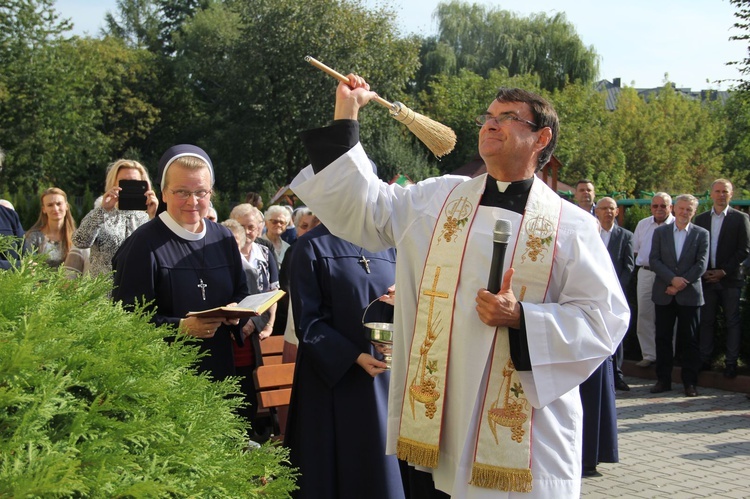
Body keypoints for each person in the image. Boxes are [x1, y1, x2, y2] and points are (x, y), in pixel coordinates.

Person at [290, 78, 629, 498]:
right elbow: (365, 207)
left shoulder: (572, 225)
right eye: (488, 116)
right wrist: (347, 113)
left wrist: (522, 317)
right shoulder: (438, 199)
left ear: (542, 138)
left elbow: (604, 319)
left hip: (521, 428)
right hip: (441, 415)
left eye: (507, 118)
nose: (491, 124)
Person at [284, 222, 402, 498]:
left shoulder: (388, 244)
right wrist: (353, 356)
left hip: (383, 376)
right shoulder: (312, 246)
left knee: (382, 470)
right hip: (333, 381)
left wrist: (402, 297)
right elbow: (307, 322)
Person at [112, 144, 247, 381]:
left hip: (219, 369)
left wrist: (237, 314)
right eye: (182, 192)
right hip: (164, 376)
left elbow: (241, 291)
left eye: (201, 192)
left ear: (211, 193)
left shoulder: (223, 238)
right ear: (164, 193)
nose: (192, 201)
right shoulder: (142, 245)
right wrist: (180, 328)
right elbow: (127, 318)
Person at [222, 217, 278, 440]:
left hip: (244, 344)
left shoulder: (250, 271)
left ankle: (248, 437)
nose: (231, 247)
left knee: (246, 394)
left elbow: (263, 305)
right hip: (221, 345)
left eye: (235, 242)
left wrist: (250, 325)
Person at [649, 194, 709, 398]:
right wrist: (671, 280)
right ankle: (663, 380)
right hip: (664, 292)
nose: (684, 213)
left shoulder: (702, 234)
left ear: (694, 212)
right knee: (663, 337)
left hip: (689, 294)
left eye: (689, 210)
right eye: (681, 208)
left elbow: (701, 264)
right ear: (674, 209)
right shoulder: (661, 232)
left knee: (690, 340)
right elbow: (654, 260)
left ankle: (689, 383)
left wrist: (681, 283)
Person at [694, 179, 750, 379]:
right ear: (711, 194)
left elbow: (744, 249)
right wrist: (706, 271)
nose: (721, 195)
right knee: (706, 321)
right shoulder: (700, 220)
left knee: (732, 322)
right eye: (717, 191)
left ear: (731, 194)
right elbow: (697, 249)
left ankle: (731, 362)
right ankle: (705, 359)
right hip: (707, 279)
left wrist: (723, 271)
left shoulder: (740, 218)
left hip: (730, 279)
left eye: (724, 191)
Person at [72, 159, 159, 278]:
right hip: (103, 291)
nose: (129, 187)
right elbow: (80, 241)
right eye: (124, 182)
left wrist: (154, 217)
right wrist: (103, 210)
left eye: (135, 182)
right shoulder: (101, 213)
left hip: (137, 290)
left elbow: (159, 253)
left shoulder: (147, 217)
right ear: (114, 183)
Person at [596, 197, 635, 390]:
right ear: (597, 211)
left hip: (616, 293)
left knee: (616, 331)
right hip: (593, 292)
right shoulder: (590, 233)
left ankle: (617, 374)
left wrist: (615, 290)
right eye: (603, 208)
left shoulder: (626, 235)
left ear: (617, 212)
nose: (607, 212)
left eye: (611, 208)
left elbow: (629, 266)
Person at [632, 193, 674, 367]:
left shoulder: (675, 224)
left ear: (670, 207)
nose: (659, 209)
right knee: (644, 314)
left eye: (663, 206)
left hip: (668, 275)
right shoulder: (643, 224)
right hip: (646, 272)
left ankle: (668, 355)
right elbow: (635, 250)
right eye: (655, 206)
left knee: (669, 315)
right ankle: (649, 354)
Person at [23, 187, 77, 269]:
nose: (55, 209)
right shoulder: (34, 237)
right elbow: (29, 266)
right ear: (44, 209)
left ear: (66, 206)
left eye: (59, 204)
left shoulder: (77, 237)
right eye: (50, 205)